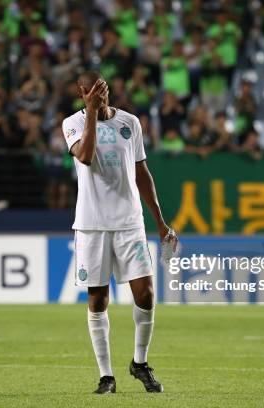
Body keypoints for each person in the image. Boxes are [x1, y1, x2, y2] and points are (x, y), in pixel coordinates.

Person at [62, 71, 175, 394]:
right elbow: (84, 156)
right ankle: (106, 376)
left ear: (106, 88)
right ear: (81, 95)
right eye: (88, 92)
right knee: (98, 298)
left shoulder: (130, 123)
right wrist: (92, 114)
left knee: (146, 294)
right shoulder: (72, 124)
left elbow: (141, 172)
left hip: (129, 222)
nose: (95, 95)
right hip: (92, 224)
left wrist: (160, 220)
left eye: (99, 89)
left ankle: (140, 363)